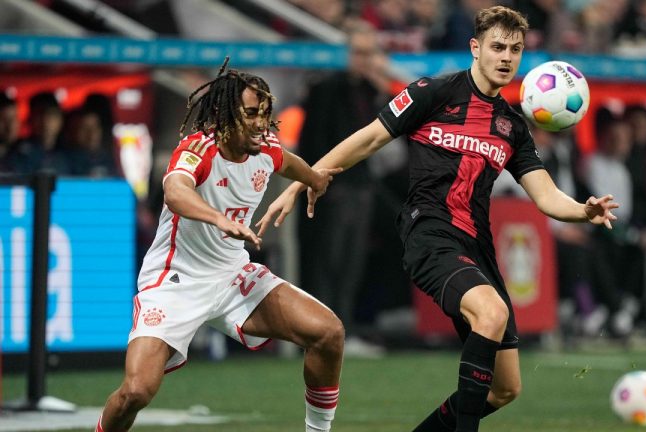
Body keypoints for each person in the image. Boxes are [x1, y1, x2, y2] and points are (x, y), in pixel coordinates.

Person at [257, 6, 619, 432]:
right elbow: (368, 139)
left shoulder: (512, 127)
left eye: (515, 49)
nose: (506, 57)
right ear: (475, 47)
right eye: (498, 47)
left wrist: (583, 210)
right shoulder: (434, 92)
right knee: (491, 313)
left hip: (476, 247)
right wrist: (303, 181)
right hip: (429, 233)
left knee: (505, 389)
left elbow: (546, 196)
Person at [95, 59, 344, 432]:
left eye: (265, 113)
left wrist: (313, 180)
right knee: (136, 392)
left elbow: (287, 162)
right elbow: (175, 192)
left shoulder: (266, 148)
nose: (261, 123)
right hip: (176, 280)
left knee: (328, 332)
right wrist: (218, 218)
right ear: (225, 114)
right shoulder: (199, 149)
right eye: (251, 113)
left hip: (232, 276)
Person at [297, 21, 399, 355]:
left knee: (351, 265)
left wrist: (382, 90)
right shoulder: (326, 89)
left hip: (361, 187)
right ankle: (319, 334)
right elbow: (314, 141)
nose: (365, 60)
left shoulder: (369, 91)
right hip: (333, 188)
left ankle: (342, 331)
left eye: (370, 53)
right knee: (327, 262)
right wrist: (321, 182)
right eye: (359, 53)